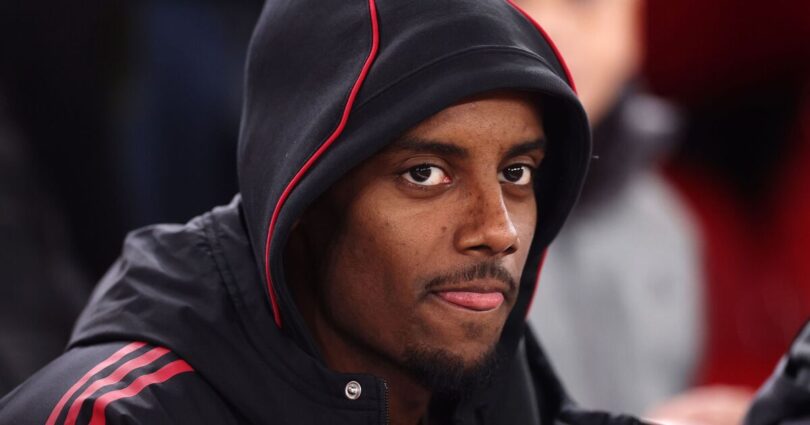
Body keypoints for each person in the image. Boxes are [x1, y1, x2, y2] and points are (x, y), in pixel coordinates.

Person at [0, 1, 646, 424]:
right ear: (303, 193)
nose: (497, 230)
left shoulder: (494, 386)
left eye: (516, 172)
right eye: (425, 174)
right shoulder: (117, 414)